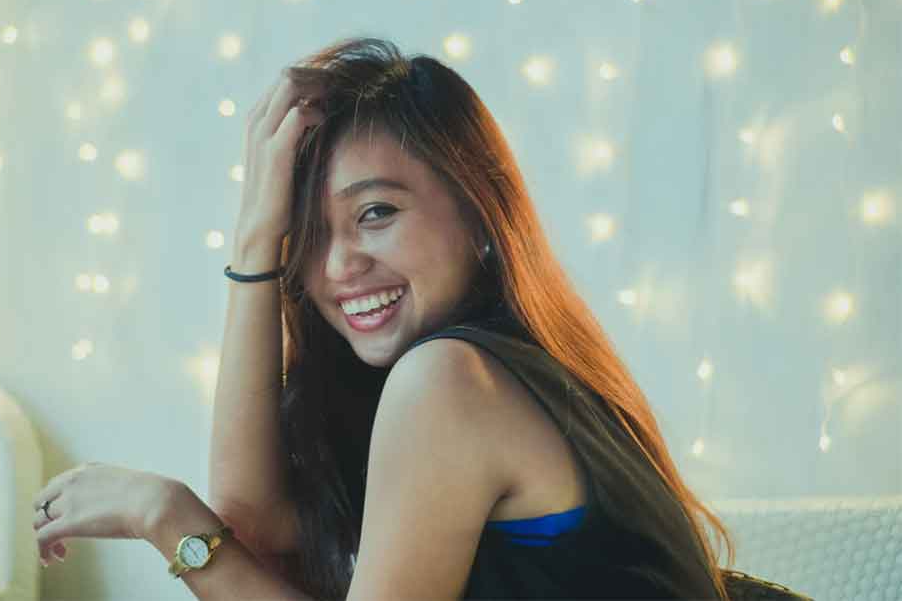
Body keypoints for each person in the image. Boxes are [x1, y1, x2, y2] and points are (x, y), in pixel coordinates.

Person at [210, 36, 737, 600]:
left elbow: (226, 541)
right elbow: (253, 526)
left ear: (478, 215)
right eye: (308, 233)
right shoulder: (511, 369)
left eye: (376, 213)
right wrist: (256, 239)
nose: (338, 265)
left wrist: (165, 521)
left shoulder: (449, 380)